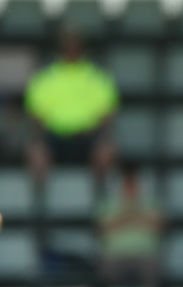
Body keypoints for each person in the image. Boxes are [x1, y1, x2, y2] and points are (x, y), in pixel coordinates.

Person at [24, 26, 118, 182]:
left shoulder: (98, 78)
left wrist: (101, 136)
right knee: (36, 153)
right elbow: (35, 114)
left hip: (88, 137)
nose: (71, 49)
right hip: (54, 137)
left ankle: (98, 197)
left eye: (75, 45)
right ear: (60, 48)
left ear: (82, 48)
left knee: (105, 151)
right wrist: (41, 137)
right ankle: (41, 202)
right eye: (68, 45)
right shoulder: (44, 78)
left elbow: (108, 113)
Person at [95, 162, 163, 287]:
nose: (130, 188)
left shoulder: (151, 203)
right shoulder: (108, 204)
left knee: (154, 273)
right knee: (105, 275)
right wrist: (137, 217)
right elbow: (103, 229)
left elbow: (158, 226)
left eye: (134, 184)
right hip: (114, 256)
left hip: (145, 255)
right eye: (127, 185)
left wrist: (123, 219)